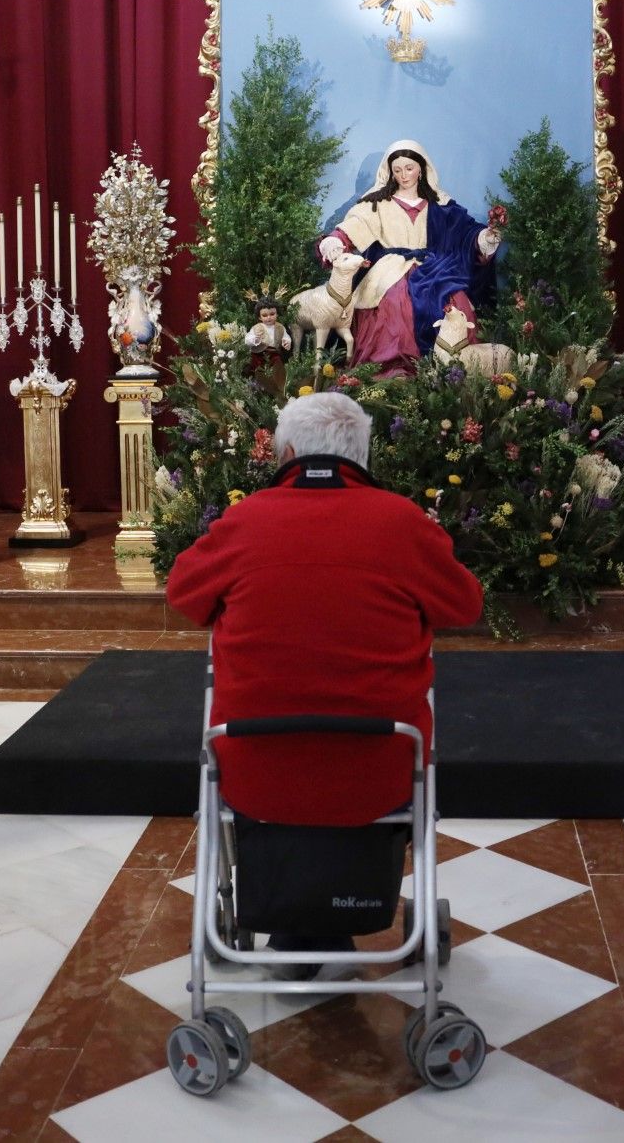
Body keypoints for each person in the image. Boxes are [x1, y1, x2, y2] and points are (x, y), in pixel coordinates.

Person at [166, 391, 483, 968]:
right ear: (362, 457)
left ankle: (289, 918)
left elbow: (184, 597)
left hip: (257, 773)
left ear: (285, 451)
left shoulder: (245, 522)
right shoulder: (401, 523)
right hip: (379, 773)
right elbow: (464, 604)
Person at [316, 141, 502, 368]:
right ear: (390, 172)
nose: (404, 175)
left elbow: (465, 230)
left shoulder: (440, 204)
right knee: (395, 304)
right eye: (397, 170)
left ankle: (451, 368)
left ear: (421, 169)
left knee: (455, 302)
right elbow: (355, 225)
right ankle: (395, 368)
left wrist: (484, 238)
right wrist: (335, 241)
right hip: (389, 271)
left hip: (434, 268)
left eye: (409, 168)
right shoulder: (377, 203)